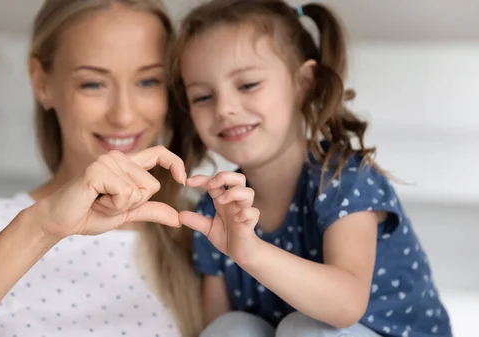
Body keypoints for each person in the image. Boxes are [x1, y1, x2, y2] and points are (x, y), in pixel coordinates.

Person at [0, 1, 204, 336]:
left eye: (148, 81)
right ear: (42, 83)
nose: (123, 115)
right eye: (93, 84)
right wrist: (42, 229)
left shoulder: (200, 235)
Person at [170, 0, 453, 336]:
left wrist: (252, 251)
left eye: (247, 85)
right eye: (203, 96)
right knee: (230, 327)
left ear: (303, 83)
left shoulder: (343, 179)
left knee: (304, 328)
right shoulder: (216, 206)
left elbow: (345, 306)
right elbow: (215, 324)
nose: (224, 108)